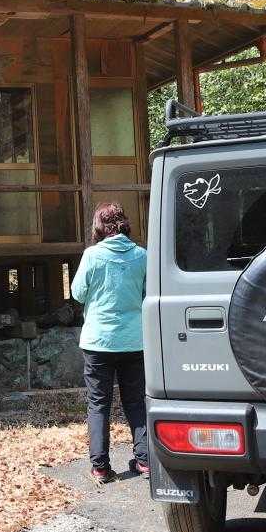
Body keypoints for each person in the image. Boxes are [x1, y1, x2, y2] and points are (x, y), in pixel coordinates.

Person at [71, 202, 149, 484]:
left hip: (98, 342)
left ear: (99, 227)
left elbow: (78, 293)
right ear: (124, 223)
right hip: (134, 340)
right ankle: (144, 460)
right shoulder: (142, 255)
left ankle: (101, 467)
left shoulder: (92, 256)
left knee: (98, 404)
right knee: (136, 401)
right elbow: (147, 293)